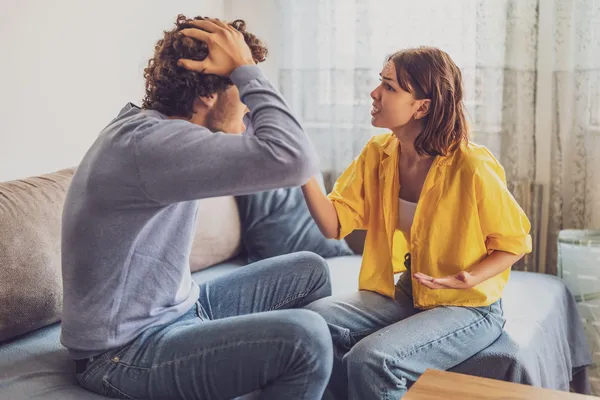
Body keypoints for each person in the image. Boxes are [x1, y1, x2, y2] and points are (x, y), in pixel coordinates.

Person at [61, 15, 333, 400]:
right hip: (122, 354)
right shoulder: (154, 145)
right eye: (239, 85)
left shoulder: (163, 133)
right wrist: (245, 67)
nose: (248, 107)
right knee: (305, 339)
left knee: (310, 270)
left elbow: (282, 150)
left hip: (182, 310)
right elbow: (295, 159)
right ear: (207, 95)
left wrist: (240, 70)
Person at [301, 46, 532, 399]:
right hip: (412, 291)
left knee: (371, 359)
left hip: (469, 305)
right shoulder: (379, 153)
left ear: (421, 107)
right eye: (380, 82)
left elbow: (515, 243)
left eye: (389, 87)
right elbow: (334, 225)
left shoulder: (471, 165)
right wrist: (302, 170)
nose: (374, 93)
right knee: (310, 324)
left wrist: (469, 277)